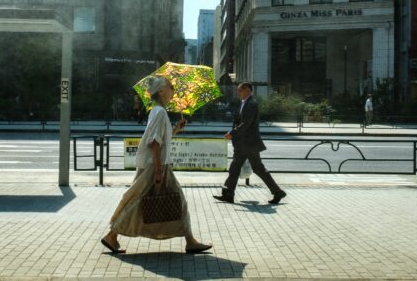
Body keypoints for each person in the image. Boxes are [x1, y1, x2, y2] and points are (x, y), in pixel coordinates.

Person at [101, 76, 212, 254]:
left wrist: (175, 129)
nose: (173, 91)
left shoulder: (156, 111)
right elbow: (155, 143)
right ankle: (112, 235)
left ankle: (189, 240)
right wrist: (159, 172)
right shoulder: (160, 112)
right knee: (149, 202)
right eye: (170, 87)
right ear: (161, 91)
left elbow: (161, 139)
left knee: (145, 201)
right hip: (156, 166)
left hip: (157, 165)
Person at [213, 82, 286, 204]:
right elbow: (240, 121)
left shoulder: (252, 104)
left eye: (240, 90)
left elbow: (246, 123)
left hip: (250, 143)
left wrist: (233, 132)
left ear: (247, 90)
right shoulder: (244, 103)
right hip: (242, 144)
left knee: (258, 169)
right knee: (235, 168)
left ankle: (277, 192)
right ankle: (228, 194)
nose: (238, 93)